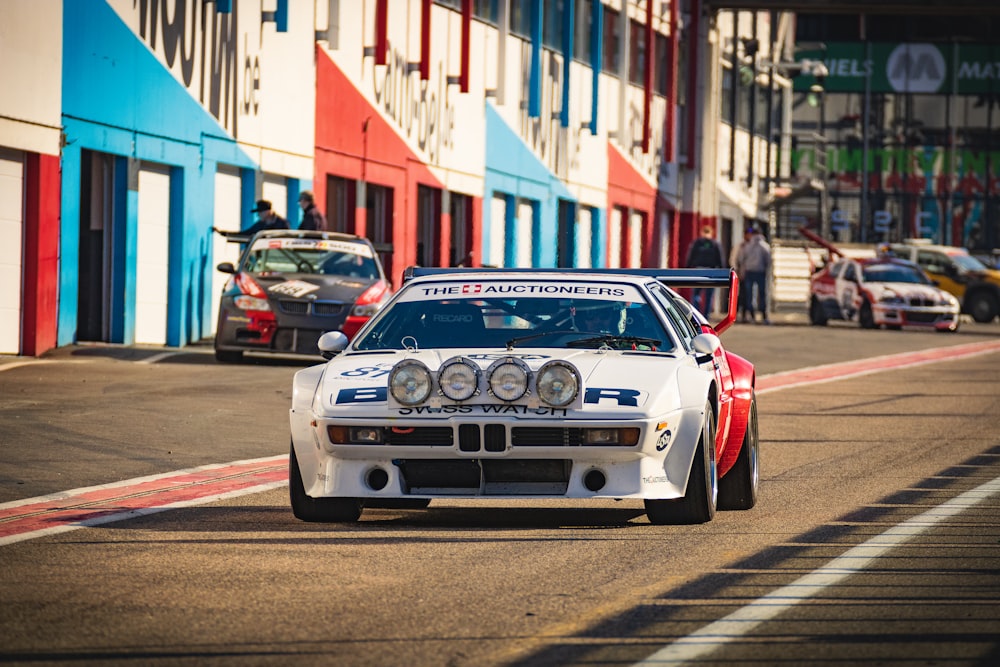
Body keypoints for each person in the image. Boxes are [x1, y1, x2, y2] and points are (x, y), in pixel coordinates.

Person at [685, 224, 724, 316]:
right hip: (711, 271)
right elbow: (720, 258)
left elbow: (691, 256)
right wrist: (722, 271)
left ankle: (696, 313)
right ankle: (706, 316)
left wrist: (687, 268)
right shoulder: (715, 244)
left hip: (699, 270)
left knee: (696, 294)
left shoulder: (697, 243)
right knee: (709, 296)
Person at [736, 226, 772, 324]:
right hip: (760, 272)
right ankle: (764, 315)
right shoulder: (765, 246)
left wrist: (742, 270)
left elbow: (741, 259)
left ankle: (751, 315)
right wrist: (765, 269)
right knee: (762, 294)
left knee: (749, 295)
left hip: (748, 271)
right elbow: (768, 260)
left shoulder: (746, 245)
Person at [213, 200, 288, 238]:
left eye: (260, 212)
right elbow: (244, 234)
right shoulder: (260, 225)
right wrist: (223, 233)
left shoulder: (282, 224)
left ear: (268, 211)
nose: (258, 215)